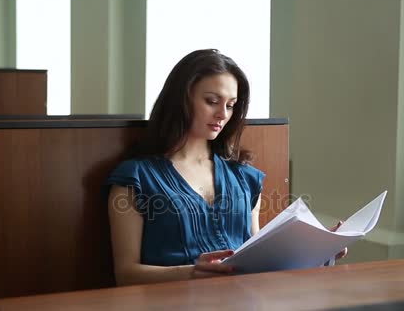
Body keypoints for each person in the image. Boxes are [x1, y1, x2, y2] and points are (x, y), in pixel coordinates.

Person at [104, 49, 346, 286]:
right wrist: (190, 272)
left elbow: (259, 258)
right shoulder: (134, 178)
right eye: (212, 101)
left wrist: (315, 251)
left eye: (230, 105)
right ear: (181, 99)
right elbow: (126, 274)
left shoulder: (244, 177)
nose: (222, 114)